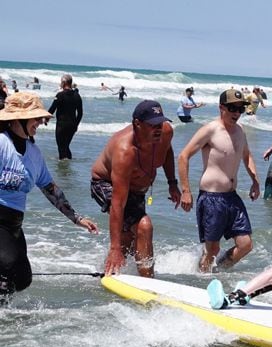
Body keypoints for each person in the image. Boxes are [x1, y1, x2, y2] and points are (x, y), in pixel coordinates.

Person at [0, 92, 98, 300]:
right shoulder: (1, 143)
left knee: (22, 279)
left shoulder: (34, 153)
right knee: (6, 270)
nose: (41, 122)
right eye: (36, 118)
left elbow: (51, 189)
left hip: (14, 224)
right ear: (19, 119)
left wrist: (77, 218)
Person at [90, 100, 181, 277]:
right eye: (152, 125)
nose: (158, 129)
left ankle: (113, 274)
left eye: (160, 123)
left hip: (137, 190)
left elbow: (167, 152)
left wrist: (172, 183)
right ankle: (148, 280)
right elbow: (118, 203)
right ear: (137, 124)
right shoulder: (125, 152)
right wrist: (113, 247)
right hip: (105, 184)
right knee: (143, 227)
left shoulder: (166, 132)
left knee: (131, 238)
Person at [178, 89, 260, 272]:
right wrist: (185, 190)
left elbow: (246, 156)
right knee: (212, 249)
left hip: (232, 198)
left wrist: (255, 181)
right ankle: (201, 278)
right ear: (221, 107)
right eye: (232, 108)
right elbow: (183, 156)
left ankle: (218, 272)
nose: (237, 113)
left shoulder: (240, 131)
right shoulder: (210, 130)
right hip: (211, 198)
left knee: (246, 245)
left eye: (241, 108)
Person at [47, 74, 83, 160]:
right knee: (66, 146)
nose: (60, 84)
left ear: (64, 82)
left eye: (61, 82)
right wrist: (76, 125)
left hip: (61, 125)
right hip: (72, 126)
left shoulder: (60, 95)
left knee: (61, 147)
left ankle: (63, 169)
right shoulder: (77, 96)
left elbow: (52, 109)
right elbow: (80, 113)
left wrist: (45, 118)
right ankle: (67, 166)